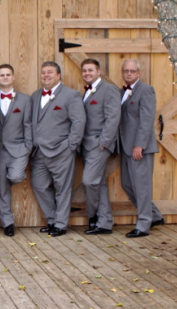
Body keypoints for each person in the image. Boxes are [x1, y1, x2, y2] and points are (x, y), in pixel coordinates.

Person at [30, 61, 85, 237]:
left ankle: (61, 224)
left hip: (61, 150)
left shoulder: (71, 95)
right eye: (43, 72)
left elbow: (79, 122)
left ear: (58, 75)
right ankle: (52, 219)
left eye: (50, 72)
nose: (46, 75)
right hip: (39, 152)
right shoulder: (36, 95)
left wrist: (70, 146)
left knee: (63, 188)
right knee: (39, 185)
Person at [119, 59, 164, 238]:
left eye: (132, 71)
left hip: (139, 148)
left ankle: (144, 224)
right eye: (126, 71)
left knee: (142, 187)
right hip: (125, 147)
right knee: (127, 184)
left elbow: (146, 120)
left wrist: (140, 144)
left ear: (138, 73)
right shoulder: (123, 92)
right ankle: (155, 215)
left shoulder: (146, 90)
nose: (129, 73)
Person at [0, 64, 32, 237]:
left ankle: (8, 220)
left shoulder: (25, 100)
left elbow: (28, 124)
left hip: (19, 148)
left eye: (8, 75)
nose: (5, 77)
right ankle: (8, 223)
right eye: (2, 75)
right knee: (0, 189)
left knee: (14, 176)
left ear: (13, 77)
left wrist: (28, 146)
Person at [80, 58, 120, 235]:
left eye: (90, 70)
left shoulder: (109, 89)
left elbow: (113, 117)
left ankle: (93, 215)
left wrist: (104, 142)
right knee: (99, 183)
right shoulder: (86, 92)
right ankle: (105, 222)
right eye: (84, 71)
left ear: (99, 72)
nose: (87, 73)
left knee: (89, 181)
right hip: (86, 144)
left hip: (99, 143)